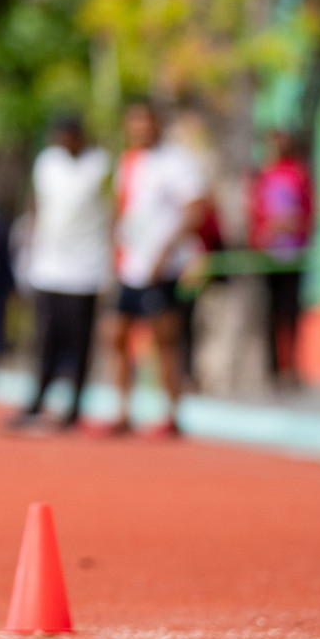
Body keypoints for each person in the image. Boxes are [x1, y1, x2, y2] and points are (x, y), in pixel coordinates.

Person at [108, 101, 207, 436]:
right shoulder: (128, 162)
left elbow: (195, 209)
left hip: (162, 268)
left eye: (145, 122)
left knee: (165, 340)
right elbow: (122, 209)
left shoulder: (176, 162)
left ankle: (172, 413)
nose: (140, 128)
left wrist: (166, 251)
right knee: (117, 335)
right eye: (134, 122)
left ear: (158, 124)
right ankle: (123, 410)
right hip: (130, 268)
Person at [9, 116, 112, 430]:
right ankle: (38, 398)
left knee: (79, 340)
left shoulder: (101, 165)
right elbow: (35, 204)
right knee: (45, 338)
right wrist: (29, 246)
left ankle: (75, 406)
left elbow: (114, 208)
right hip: (48, 264)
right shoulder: (47, 163)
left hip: (86, 266)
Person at [250, 129, 314, 389]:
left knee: (292, 312)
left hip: (293, 255)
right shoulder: (263, 176)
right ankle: (274, 370)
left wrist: (292, 226)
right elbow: (255, 213)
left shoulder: (298, 173)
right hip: (268, 255)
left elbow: (308, 212)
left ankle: (293, 367)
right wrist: (263, 234)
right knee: (270, 313)